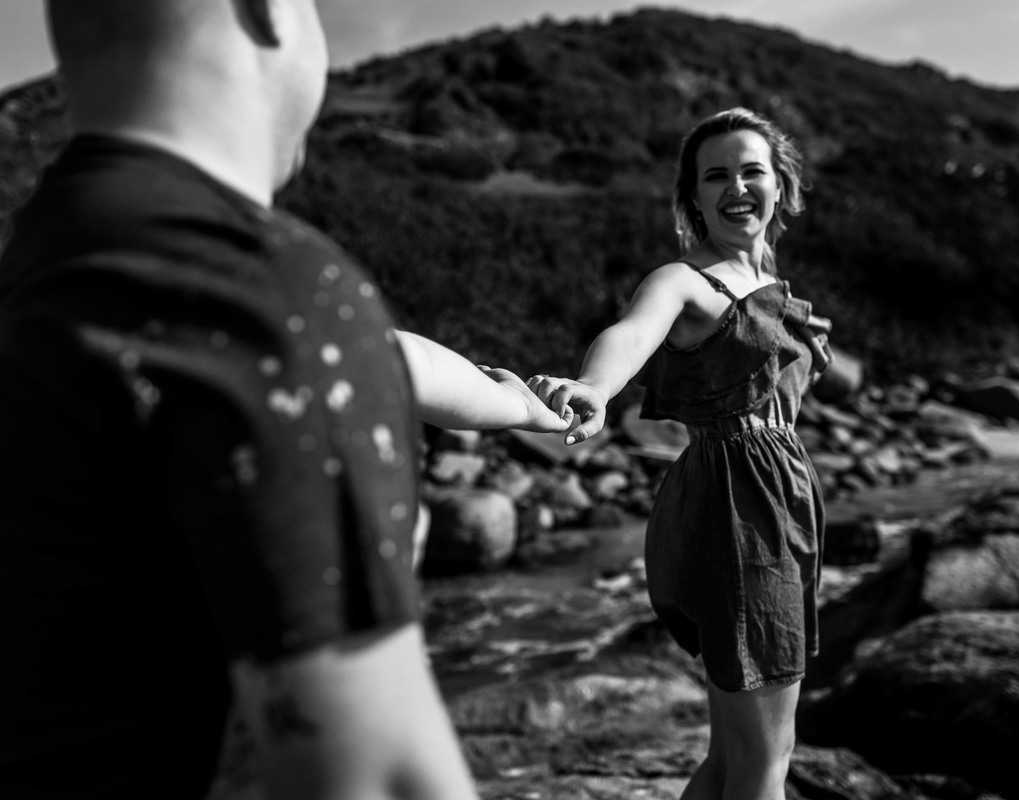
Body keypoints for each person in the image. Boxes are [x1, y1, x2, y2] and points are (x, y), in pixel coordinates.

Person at [0, 2, 569, 799]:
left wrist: (517, 404)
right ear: (268, 10)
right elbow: (379, 782)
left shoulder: (51, 261)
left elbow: (386, 356)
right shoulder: (265, 295)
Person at [527, 107, 833, 800]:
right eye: (716, 175)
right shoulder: (685, 280)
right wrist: (595, 387)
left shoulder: (763, 279)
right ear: (693, 196)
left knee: (732, 757)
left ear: (779, 184)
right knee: (767, 758)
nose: (737, 187)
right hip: (740, 511)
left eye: (752, 171)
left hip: (763, 502)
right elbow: (633, 332)